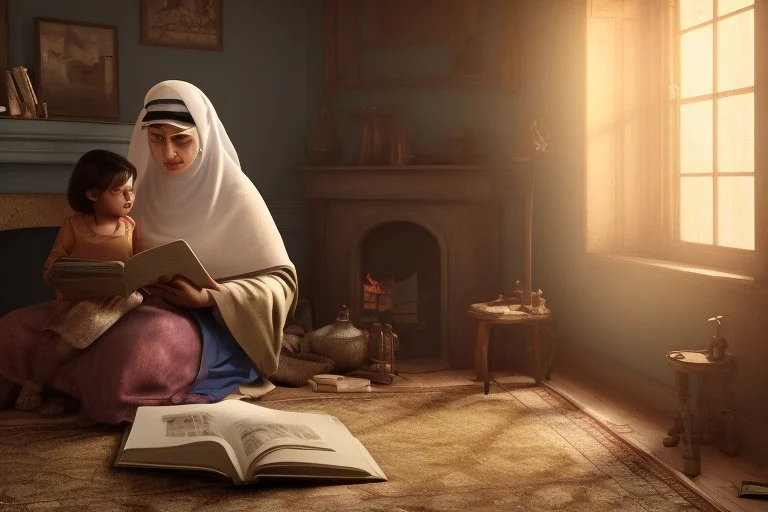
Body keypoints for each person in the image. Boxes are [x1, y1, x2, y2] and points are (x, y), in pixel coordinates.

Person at [0, 80, 298, 423]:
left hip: (200, 322)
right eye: (156, 138)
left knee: (134, 351)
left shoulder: (236, 194)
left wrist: (205, 299)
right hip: (117, 305)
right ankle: (68, 389)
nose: (167, 153)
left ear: (203, 135)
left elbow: (281, 281)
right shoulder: (134, 188)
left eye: (180, 139)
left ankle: (67, 389)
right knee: (15, 329)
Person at [14, 149, 143, 413]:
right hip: (81, 298)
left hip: (120, 299)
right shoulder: (74, 226)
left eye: (131, 189)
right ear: (93, 194)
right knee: (80, 321)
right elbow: (54, 263)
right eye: (119, 191)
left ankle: (61, 393)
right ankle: (37, 383)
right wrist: (59, 274)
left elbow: (138, 264)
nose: (129, 198)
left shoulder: (130, 227)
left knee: (124, 302)